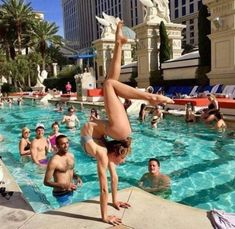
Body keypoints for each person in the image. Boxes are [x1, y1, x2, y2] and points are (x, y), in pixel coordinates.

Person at [80, 21, 173, 225]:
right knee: (109, 82)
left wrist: (105, 216)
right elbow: (115, 180)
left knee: (110, 84)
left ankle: (151, 98)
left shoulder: (104, 154)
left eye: (122, 159)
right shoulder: (108, 152)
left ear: (117, 152)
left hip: (111, 132)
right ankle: (119, 43)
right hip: (104, 132)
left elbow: (103, 185)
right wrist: (116, 202)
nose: (123, 162)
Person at [44, 135, 82, 207]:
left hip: (71, 189)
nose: (66, 145)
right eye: (63, 144)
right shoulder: (54, 161)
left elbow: (71, 170)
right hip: (61, 193)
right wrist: (64, 185)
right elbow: (46, 182)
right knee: (68, 214)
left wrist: (77, 177)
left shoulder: (71, 156)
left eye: (67, 143)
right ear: (57, 146)